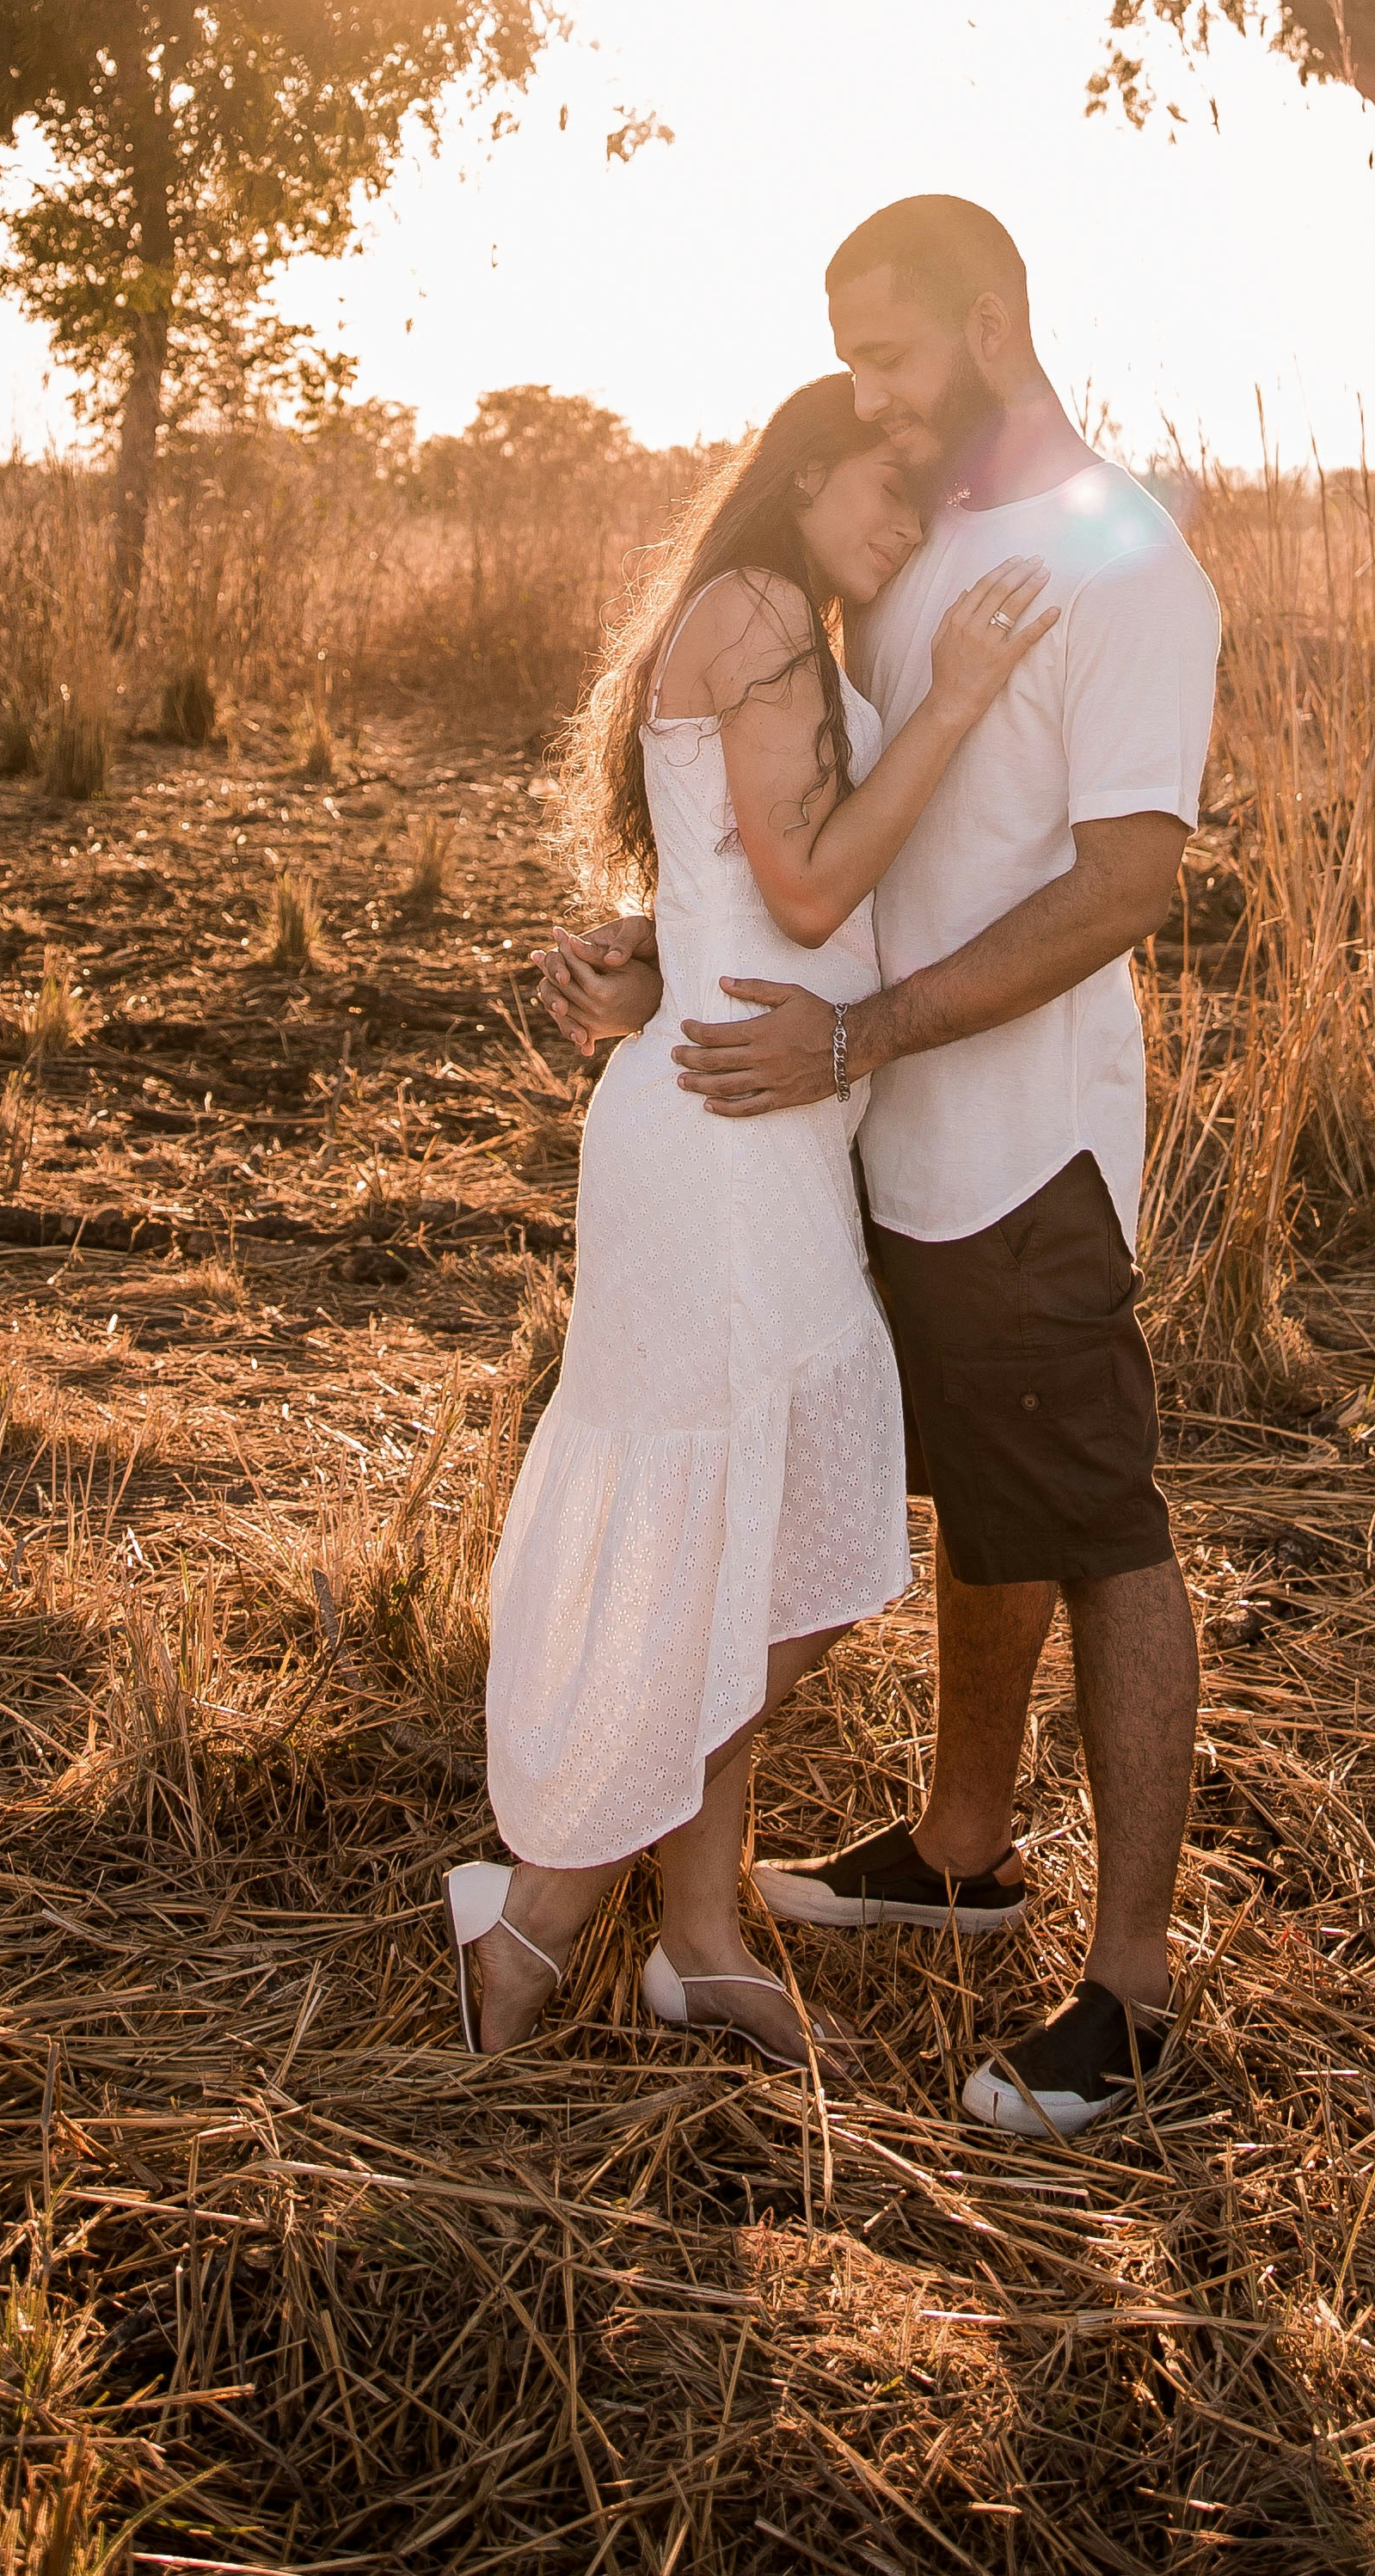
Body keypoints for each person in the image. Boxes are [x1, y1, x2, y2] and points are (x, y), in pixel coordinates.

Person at [543, 196, 1220, 2138]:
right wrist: (663, 954)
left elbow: (1122, 885)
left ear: (995, 322)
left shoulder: (1125, 571)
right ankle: (961, 1845)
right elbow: (819, 845)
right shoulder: (904, 554)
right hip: (850, 1133)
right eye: (846, 363)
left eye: (891, 355)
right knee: (977, 1501)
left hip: (1020, 1145)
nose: (865, 399)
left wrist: (869, 1036)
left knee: (1095, 1524)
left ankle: (1133, 1989)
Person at [452, 375, 1059, 2065]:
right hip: (723, 1139)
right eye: (888, 477)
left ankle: (702, 1938)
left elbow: (742, 891)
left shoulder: (783, 623)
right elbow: (802, 890)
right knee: (788, 1500)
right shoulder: (764, 610)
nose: (907, 514)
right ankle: (541, 1915)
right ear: (803, 466)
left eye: (929, 497)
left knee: (747, 1519)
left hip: (744, 1116)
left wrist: (645, 954)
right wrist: (955, 702)